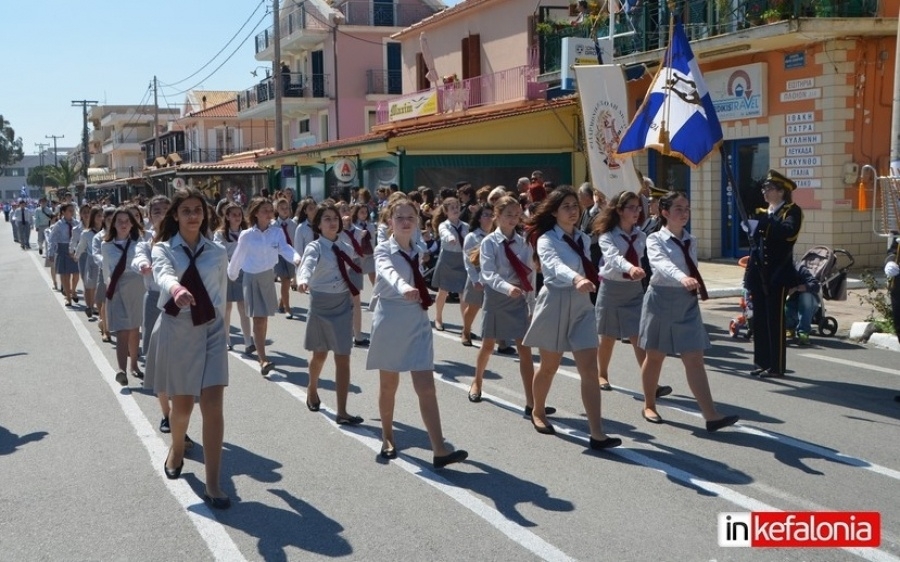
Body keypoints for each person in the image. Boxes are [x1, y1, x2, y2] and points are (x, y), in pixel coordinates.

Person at [145, 187, 231, 509]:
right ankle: (177, 446)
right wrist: (177, 288)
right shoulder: (163, 249)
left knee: (213, 405)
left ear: (205, 214)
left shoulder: (217, 252)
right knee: (182, 409)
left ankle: (213, 483)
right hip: (179, 328)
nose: (193, 215)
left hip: (210, 330)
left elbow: (221, 293)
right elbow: (163, 275)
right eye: (186, 211)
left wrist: (223, 330)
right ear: (176, 216)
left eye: (198, 210)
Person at [366, 197, 468, 468]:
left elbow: (422, 257)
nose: (405, 221)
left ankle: (439, 448)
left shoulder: (417, 247)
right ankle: (388, 436)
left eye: (410, 217)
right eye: (399, 217)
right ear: (390, 223)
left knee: (426, 386)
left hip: (417, 319)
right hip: (390, 317)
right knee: (389, 384)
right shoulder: (383, 250)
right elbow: (387, 272)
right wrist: (404, 288)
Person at [522, 186, 621, 451]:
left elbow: (588, 264)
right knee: (549, 366)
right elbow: (553, 265)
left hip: (580, 304)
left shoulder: (584, 239)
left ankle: (597, 432)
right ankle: (538, 411)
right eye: (566, 206)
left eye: (575, 205)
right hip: (555, 300)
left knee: (589, 369)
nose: (572, 210)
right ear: (554, 212)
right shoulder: (546, 239)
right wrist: (576, 278)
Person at [639, 191, 739, 432]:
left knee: (694, 358)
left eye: (687, 209)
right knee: (655, 355)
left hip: (686, 301)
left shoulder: (690, 240)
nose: (684, 214)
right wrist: (682, 277)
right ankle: (649, 404)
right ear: (664, 212)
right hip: (661, 299)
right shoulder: (654, 240)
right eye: (678, 209)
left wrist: (690, 283)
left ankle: (710, 415)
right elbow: (660, 264)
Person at [296, 203, 364, 425]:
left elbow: (360, 256)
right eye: (326, 218)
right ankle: (312, 387)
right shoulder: (315, 247)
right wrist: (303, 280)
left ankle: (342, 411)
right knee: (320, 355)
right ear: (318, 224)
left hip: (342, 304)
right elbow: (306, 265)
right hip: (321, 305)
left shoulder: (345, 245)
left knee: (343, 357)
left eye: (335, 218)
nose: (332, 222)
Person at [468, 196, 538, 411]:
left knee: (524, 349)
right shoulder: (489, 242)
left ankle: (531, 401)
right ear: (497, 216)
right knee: (488, 345)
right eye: (508, 214)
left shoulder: (523, 241)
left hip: (518, 299)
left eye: (517, 215)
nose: (513, 219)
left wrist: (531, 304)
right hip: (497, 297)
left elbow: (530, 274)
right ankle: (477, 381)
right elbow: (488, 274)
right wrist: (508, 288)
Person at [594, 191, 660, 394]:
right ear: (620, 210)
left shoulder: (641, 235)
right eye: (631, 207)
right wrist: (630, 268)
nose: (636, 211)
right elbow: (613, 258)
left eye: (638, 207)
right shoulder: (608, 236)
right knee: (607, 336)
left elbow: (650, 260)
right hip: (611, 289)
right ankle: (602, 374)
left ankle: (651, 384)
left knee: (638, 336)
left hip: (633, 290)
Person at [227, 196, 301, 375]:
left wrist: (296, 258)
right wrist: (231, 275)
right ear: (255, 213)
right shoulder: (246, 235)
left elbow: (285, 248)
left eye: (270, 210)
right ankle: (262, 359)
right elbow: (238, 257)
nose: (269, 213)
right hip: (251, 278)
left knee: (264, 318)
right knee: (258, 318)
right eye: (265, 210)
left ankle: (261, 352)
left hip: (268, 277)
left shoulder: (276, 232)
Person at [744, 170, 803, 378]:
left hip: (777, 273)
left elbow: (788, 234)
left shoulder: (792, 211)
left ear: (781, 191)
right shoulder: (762, 212)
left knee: (774, 320)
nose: (765, 192)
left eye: (769, 189)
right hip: (759, 271)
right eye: (764, 188)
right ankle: (761, 362)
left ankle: (776, 366)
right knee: (759, 319)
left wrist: (763, 224)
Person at [101, 207, 145, 386]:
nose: (124, 224)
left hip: (136, 286)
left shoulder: (138, 243)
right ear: (114, 224)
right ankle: (121, 369)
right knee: (122, 330)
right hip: (117, 287)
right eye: (120, 221)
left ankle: (134, 364)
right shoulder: (106, 245)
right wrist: (108, 287)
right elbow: (105, 268)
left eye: (127, 221)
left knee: (134, 328)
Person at [213, 203, 253, 353]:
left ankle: (248, 341)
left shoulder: (247, 233)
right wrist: (231, 265)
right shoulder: (220, 234)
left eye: (239, 214)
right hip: (227, 272)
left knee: (243, 308)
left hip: (243, 271)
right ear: (227, 217)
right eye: (234, 214)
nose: (237, 217)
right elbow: (219, 251)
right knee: (227, 308)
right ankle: (227, 339)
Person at [431, 197, 468, 331]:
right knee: (443, 291)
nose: (455, 210)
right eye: (452, 208)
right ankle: (438, 318)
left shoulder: (465, 226)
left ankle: (466, 325)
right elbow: (444, 233)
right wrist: (450, 237)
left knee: (463, 293)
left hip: (462, 260)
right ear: (446, 211)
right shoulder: (444, 225)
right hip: (447, 259)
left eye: (457, 207)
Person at [460, 204, 493, 346]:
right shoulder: (472, 237)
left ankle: (500, 339)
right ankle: (466, 331)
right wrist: (475, 280)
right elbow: (468, 261)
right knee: (473, 308)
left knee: (495, 308)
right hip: (477, 274)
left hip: (493, 276)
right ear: (479, 218)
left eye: (492, 215)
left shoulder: (496, 235)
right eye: (486, 215)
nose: (490, 218)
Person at [47, 203, 80, 306]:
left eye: (73, 210)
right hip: (62, 249)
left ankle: (73, 290)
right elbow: (52, 239)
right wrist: (51, 253)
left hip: (74, 250)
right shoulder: (58, 225)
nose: (72, 212)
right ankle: (68, 297)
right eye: (69, 210)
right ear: (63, 212)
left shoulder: (77, 223)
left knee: (76, 273)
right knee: (65, 275)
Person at [273, 197, 298, 319]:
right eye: (282, 208)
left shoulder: (293, 224)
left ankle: (282, 301)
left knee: (288, 281)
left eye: (286, 208)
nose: (284, 210)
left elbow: (296, 241)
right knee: (285, 279)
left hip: (291, 254)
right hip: (278, 255)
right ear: (277, 209)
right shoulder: (273, 225)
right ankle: (288, 308)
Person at [785, 262, 820, 346]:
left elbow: (815, 285)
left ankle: (803, 333)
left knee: (806, 296)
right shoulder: (778, 271)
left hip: (807, 305)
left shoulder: (800, 269)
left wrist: (796, 288)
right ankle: (789, 328)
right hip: (790, 304)